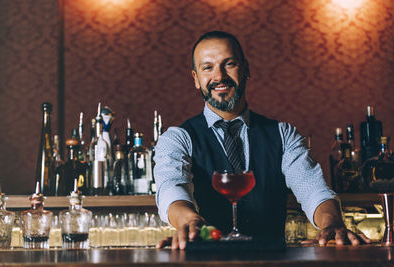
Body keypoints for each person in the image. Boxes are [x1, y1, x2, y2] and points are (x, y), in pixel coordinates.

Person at [154, 31, 370, 250]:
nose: (219, 76)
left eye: (229, 64)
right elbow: (172, 188)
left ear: (246, 69)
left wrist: (331, 223)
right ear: (196, 79)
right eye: (207, 67)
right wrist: (189, 220)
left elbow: (313, 189)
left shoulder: (283, 134)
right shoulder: (178, 139)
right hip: (206, 262)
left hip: (274, 261)